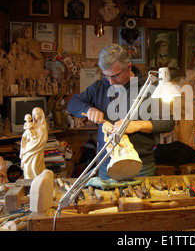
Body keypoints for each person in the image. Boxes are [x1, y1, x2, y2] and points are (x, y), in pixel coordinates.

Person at [67, 44, 175, 180]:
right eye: (106, 76)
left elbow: (168, 123)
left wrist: (137, 125)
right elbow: (73, 103)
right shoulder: (100, 86)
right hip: (107, 165)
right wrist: (88, 110)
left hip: (140, 165)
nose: (111, 82)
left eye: (115, 76)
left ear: (128, 67)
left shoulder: (149, 87)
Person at [20, 107, 48, 179]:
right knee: (27, 166)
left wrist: (36, 145)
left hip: (37, 149)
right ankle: (29, 181)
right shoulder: (32, 125)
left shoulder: (43, 126)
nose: (35, 116)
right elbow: (25, 135)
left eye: (37, 114)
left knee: (35, 166)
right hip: (30, 146)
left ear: (41, 115)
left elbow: (44, 139)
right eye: (34, 115)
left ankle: (38, 181)